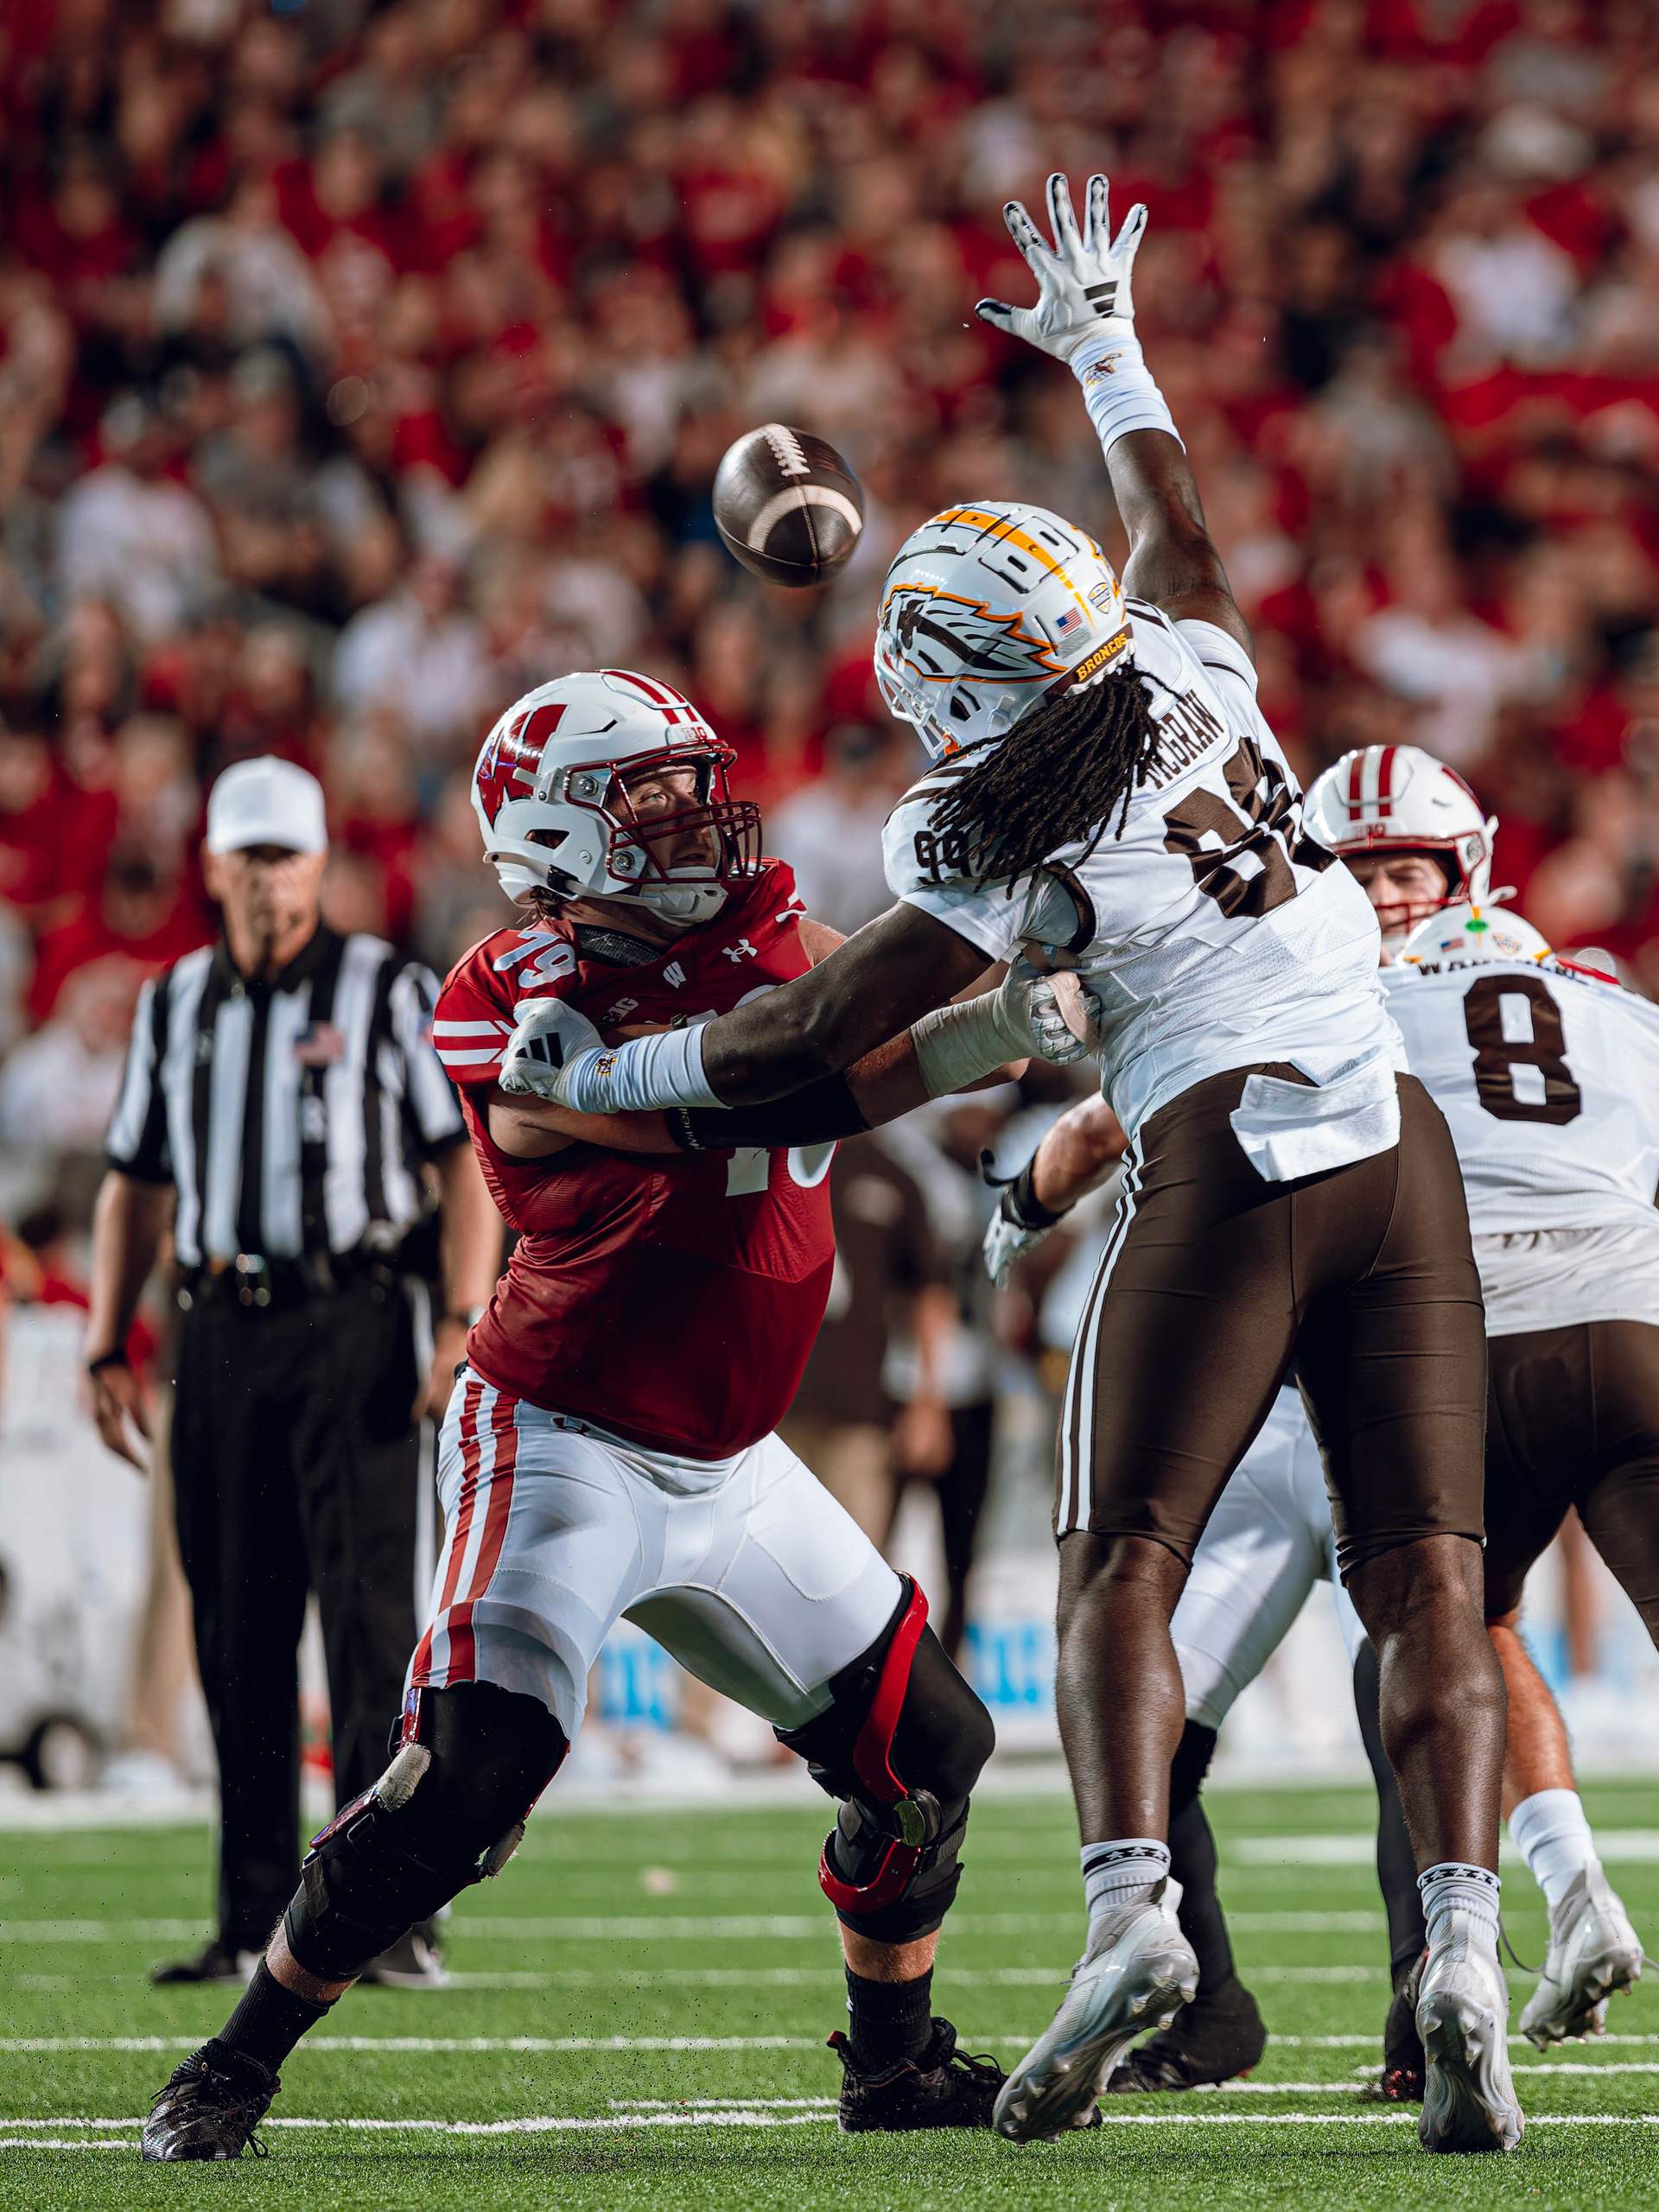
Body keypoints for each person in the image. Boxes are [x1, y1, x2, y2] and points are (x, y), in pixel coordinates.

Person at [497, 175, 1519, 2154]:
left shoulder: (985, 829)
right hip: (1393, 1156)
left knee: (1114, 1555)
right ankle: (1461, 1947)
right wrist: (1107, 345)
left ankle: (1134, 1909)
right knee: (1432, 1580)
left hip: (1227, 1168)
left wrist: (610, 1060)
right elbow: (1182, 532)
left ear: (965, 682)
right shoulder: (1203, 676)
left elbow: (809, 1040)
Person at [141, 668, 1096, 2160]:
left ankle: (892, 2065)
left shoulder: (773, 936)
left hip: (733, 1459)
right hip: (562, 1436)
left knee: (931, 1753)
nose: (697, 812)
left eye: (693, 778)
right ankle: (237, 2055)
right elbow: (769, 1093)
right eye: (649, 792)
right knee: (472, 1779)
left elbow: (866, 1033)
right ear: (555, 834)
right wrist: (976, 1030)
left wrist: (1025, 997)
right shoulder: (506, 1000)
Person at [988, 742, 1652, 2095]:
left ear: (1464, 873)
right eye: (1368, 872)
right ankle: (1336, 1986)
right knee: (1425, 1643)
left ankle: (1404, 1994)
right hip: (1535, 1339)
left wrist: (1021, 1204)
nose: (1393, 897)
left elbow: (1109, 1125)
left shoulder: (1315, 987)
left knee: (1402, 1642)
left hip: (1401, 1368)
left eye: (1410, 869)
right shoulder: (1599, 995)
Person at [87, 756, 503, 1990]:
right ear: (213, 866)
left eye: (288, 856)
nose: (269, 880)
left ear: (321, 864)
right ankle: (251, 1913)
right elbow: (135, 1181)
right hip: (219, 1330)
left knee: (372, 1624)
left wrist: (459, 1317)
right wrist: (111, 1334)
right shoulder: (176, 1005)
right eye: (249, 857)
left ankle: (376, 1915)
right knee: (237, 1625)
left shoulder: (386, 989)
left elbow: (458, 1165)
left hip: (355, 1316)